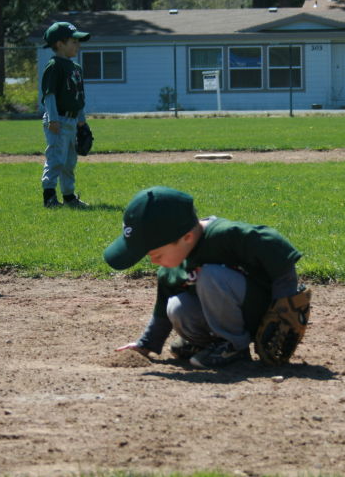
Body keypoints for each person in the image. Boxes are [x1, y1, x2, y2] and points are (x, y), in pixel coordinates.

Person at [105, 186, 304, 369]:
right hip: (230, 315)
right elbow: (161, 315)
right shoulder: (171, 268)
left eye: (156, 255)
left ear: (187, 238)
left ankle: (235, 347)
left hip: (263, 313)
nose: (154, 262)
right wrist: (145, 345)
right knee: (176, 306)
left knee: (211, 275)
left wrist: (283, 307)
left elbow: (279, 253)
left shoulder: (227, 236)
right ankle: (213, 345)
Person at [40, 21, 92, 208]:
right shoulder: (54, 66)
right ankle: (49, 196)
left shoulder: (75, 67)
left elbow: (78, 98)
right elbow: (49, 95)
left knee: (70, 161)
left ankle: (69, 197)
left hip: (71, 120)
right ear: (60, 44)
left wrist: (82, 123)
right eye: (73, 41)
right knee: (56, 159)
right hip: (58, 119)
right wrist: (52, 118)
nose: (78, 45)